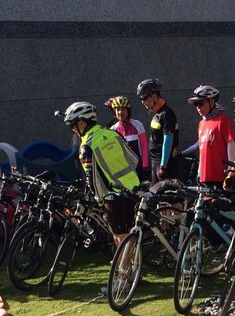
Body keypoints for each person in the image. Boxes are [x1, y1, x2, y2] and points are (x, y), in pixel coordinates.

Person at [64, 101, 140, 246]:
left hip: (112, 195)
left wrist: (98, 200)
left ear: (82, 123)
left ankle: (127, 261)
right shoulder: (113, 133)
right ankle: (132, 259)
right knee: (131, 232)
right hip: (133, 188)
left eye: (73, 125)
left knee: (120, 237)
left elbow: (91, 180)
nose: (73, 130)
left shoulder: (86, 146)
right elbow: (134, 159)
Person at [188, 85, 235, 187]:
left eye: (201, 103)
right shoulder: (201, 123)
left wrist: (231, 170)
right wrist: (199, 171)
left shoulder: (223, 120)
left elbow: (230, 143)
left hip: (221, 175)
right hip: (205, 176)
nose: (198, 107)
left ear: (212, 102)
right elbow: (201, 150)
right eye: (196, 104)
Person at [136, 78, 179, 183]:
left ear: (154, 96)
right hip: (155, 162)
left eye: (145, 98)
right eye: (141, 99)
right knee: (153, 192)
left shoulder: (166, 114)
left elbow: (168, 140)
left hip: (164, 165)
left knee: (164, 193)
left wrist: (163, 166)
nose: (143, 102)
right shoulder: (157, 114)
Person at [109, 95, 150, 182]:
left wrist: (145, 165)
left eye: (123, 109)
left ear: (128, 110)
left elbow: (144, 147)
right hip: (124, 171)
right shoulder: (113, 129)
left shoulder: (138, 125)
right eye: (118, 109)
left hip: (139, 168)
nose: (120, 112)